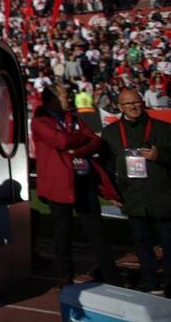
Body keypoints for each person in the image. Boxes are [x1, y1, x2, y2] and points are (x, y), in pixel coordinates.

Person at [32, 85, 122, 288]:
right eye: (65, 95)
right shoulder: (40, 121)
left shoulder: (73, 118)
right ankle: (66, 278)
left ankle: (111, 277)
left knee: (97, 230)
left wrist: (76, 150)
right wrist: (80, 142)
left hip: (83, 180)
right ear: (52, 99)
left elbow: (96, 141)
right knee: (62, 233)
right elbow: (61, 140)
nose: (69, 98)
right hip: (59, 184)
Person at [101, 89, 171, 296]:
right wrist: (112, 193)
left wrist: (161, 155)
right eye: (128, 104)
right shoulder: (111, 132)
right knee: (142, 243)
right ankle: (150, 281)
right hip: (133, 197)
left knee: (168, 243)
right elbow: (105, 166)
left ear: (143, 103)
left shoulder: (164, 129)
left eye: (136, 102)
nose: (133, 107)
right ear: (120, 107)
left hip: (162, 195)